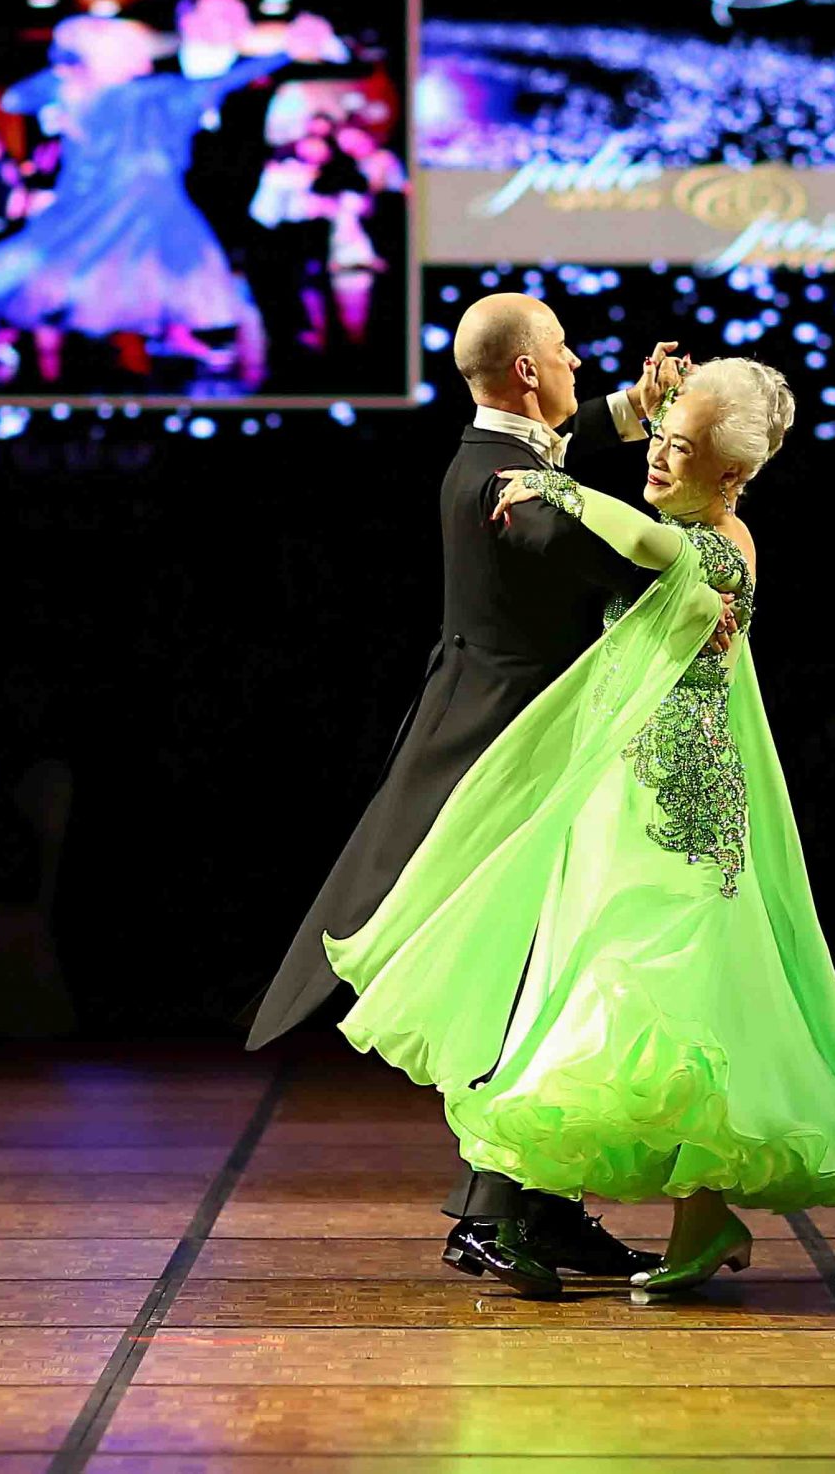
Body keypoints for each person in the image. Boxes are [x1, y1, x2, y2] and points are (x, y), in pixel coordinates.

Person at [325, 358, 835, 1297]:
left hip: (677, 812)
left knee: (660, 996)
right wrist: (623, 420)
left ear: (731, 475)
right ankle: (676, 1217)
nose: (658, 457)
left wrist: (560, 488)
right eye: (661, 439)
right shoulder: (688, 534)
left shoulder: (713, 548)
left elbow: (644, 540)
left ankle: (542, 1209)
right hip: (622, 801)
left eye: (680, 449)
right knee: (635, 997)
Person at [245, 293, 719, 1296]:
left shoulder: (502, 457)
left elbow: (560, 459)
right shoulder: (509, 492)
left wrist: (635, 410)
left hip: (532, 754)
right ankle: (489, 1216)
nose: (578, 360)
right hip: (503, 766)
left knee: (553, 976)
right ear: (528, 373)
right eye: (564, 350)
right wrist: (700, 572)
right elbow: (599, 554)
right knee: (523, 984)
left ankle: (541, 1206)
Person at [0, 7, 347, 392]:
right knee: (101, 283)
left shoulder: (120, 91)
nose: (141, 57)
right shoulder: (122, 91)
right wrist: (285, 51)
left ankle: (128, 362)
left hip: (134, 203)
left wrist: (65, 73)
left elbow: (18, 99)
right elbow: (16, 100)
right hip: (114, 203)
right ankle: (114, 365)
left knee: (115, 283)